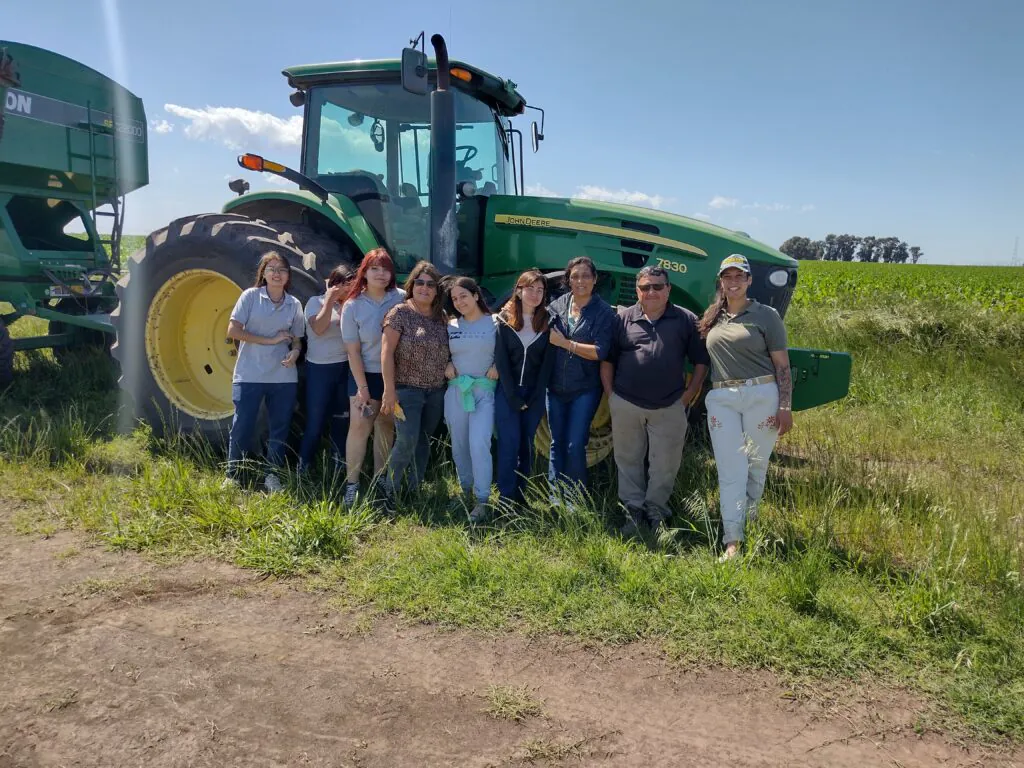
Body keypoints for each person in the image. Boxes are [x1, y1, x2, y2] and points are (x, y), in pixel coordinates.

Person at [600, 266, 710, 535]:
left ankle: (656, 511)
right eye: (645, 287)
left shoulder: (685, 319)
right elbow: (607, 360)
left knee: (665, 463)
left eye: (657, 286)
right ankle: (632, 512)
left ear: (668, 289)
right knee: (628, 460)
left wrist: (687, 396)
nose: (651, 292)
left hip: (670, 405)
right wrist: (611, 396)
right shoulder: (623, 319)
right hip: (626, 402)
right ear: (637, 291)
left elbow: (700, 362)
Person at [699, 254, 794, 561]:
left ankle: (749, 526)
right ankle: (733, 541)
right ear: (721, 282)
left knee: (756, 465)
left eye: (740, 276)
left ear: (749, 280)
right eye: (728, 277)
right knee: (730, 469)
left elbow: (782, 365)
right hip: (722, 397)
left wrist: (785, 406)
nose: (734, 282)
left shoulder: (766, 315)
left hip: (760, 394)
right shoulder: (712, 316)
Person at [225, 251, 304, 492]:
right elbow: (233, 331)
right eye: (271, 269)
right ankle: (232, 474)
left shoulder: (294, 304)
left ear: (288, 275)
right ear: (264, 273)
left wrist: (295, 353)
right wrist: (270, 341)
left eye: (281, 269)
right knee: (243, 424)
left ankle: (273, 475)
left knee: (279, 427)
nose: (277, 274)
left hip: (283, 376)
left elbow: (297, 340)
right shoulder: (250, 297)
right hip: (250, 373)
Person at [378, 261, 449, 512]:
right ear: (411, 285)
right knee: (406, 439)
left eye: (431, 284)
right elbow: (386, 354)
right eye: (420, 282)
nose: (425, 288)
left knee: (423, 440)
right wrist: (389, 390)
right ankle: (388, 491)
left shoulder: (441, 317)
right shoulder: (399, 313)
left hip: (436, 392)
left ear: (437, 290)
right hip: (407, 390)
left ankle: (413, 489)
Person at [340, 248, 405, 506]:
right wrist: (362, 387)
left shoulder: (400, 298)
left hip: (394, 376)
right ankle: (352, 485)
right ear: (364, 272)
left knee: (386, 426)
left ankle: (381, 481)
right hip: (364, 374)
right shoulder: (352, 306)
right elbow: (352, 351)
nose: (381, 274)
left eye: (386, 268)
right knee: (358, 427)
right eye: (374, 268)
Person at [545, 255, 615, 496]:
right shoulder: (556, 306)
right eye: (575, 276)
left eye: (586, 275)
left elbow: (600, 351)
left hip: (584, 389)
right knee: (557, 443)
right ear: (568, 280)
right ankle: (556, 497)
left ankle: (575, 497)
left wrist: (566, 344)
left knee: (575, 444)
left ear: (595, 280)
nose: (580, 280)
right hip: (554, 386)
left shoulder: (604, 312)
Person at [493, 269, 554, 508]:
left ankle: (520, 495)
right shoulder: (504, 321)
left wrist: (537, 396)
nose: (535, 294)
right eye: (530, 289)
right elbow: (502, 362)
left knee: (526, 446)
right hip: (508, 393)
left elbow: (547, 365)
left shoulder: (548, 323)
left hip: (535, 393)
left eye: (540, 290)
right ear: (519, 291)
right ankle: (505, 498)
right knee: (509, 443)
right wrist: (513, 397)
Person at [444, 276, 498, 523]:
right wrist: (446, 363)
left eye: (463, 296)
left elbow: (511, 351)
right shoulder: (450, 326)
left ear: (476, 295)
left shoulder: (495, 323)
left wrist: (498, 366)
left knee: (479, 442)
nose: (459, 302)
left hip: (483, 392)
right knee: (460, 444)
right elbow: (439, 351)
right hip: (456, 391)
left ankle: (482, 498)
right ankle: (465, 489)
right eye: (454, 298)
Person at [297, 264, 355, 475]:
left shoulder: (350, 306)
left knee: (342, 419)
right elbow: (319, 328)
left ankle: (338, 466)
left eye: (352, 285)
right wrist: (330, 299)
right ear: (334, 284)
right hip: (319, 370)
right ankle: (303, 466)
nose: (348, 289)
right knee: (316, 420)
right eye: (344, 284)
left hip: (344, 368)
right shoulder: (315, 302)